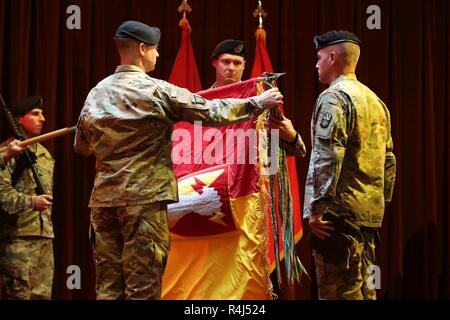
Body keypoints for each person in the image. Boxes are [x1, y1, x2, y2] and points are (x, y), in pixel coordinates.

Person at [73, 20, 283, 300]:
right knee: (143, 287)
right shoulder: (157, 91)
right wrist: (258, 103)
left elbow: (82, 147)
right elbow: (212, 112)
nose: (158, 55)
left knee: (108, 288)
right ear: (142, 48)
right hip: (143, 202)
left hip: (103, 203)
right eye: (156, 49)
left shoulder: (95, 93)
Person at [303, 30, 396, 300]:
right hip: (367, 219)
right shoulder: (376, 102)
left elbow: (327, 155)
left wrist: (317, 207)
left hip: (338, 219)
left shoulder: (334, 98)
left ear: (332, 57)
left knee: (339, 294)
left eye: (319, 57)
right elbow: (389, 161)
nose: (316, 64)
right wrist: (378, 203)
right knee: (366, 293)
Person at [211, 39, 306, 157]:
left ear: (244, 65)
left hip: (246, 173)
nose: (231, 68)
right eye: (226, 62)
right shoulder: (201, 103)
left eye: (237, 63)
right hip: (211, 173)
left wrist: (292, 137)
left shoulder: (261, 101)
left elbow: (299, 151)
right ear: (214, 62)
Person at [0, 95, 55, 299]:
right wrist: (32, 202)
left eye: (42, 114)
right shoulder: (6, 152)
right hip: (17, 238)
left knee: (42, 296)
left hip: (44, 237)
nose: (42, 119)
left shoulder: (45, 155)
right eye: (35, 114)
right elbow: (3, 195)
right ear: (18, 119)